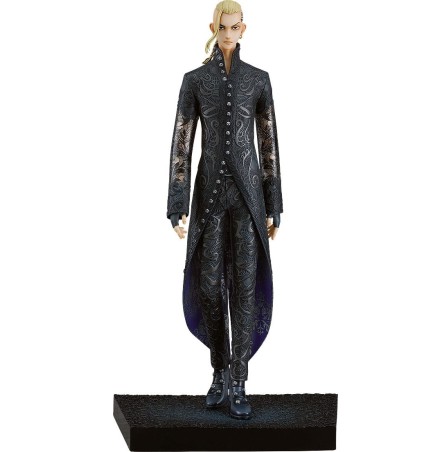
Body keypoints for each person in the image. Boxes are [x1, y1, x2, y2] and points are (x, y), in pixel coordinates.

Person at [166, 0, 283, 420]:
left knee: (246, 287)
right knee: (210, 284)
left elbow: (268, 143)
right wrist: (177, 202)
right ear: (213, 27)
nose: (229, 33)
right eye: (223, 27)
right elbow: (182, 142)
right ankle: (218, 370)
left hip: (249, 199)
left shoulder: (258, 79)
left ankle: (240, 379)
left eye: (235, 27)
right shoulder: (194, 81)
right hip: (209, 197)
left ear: (243, 29)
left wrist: (274, 203)